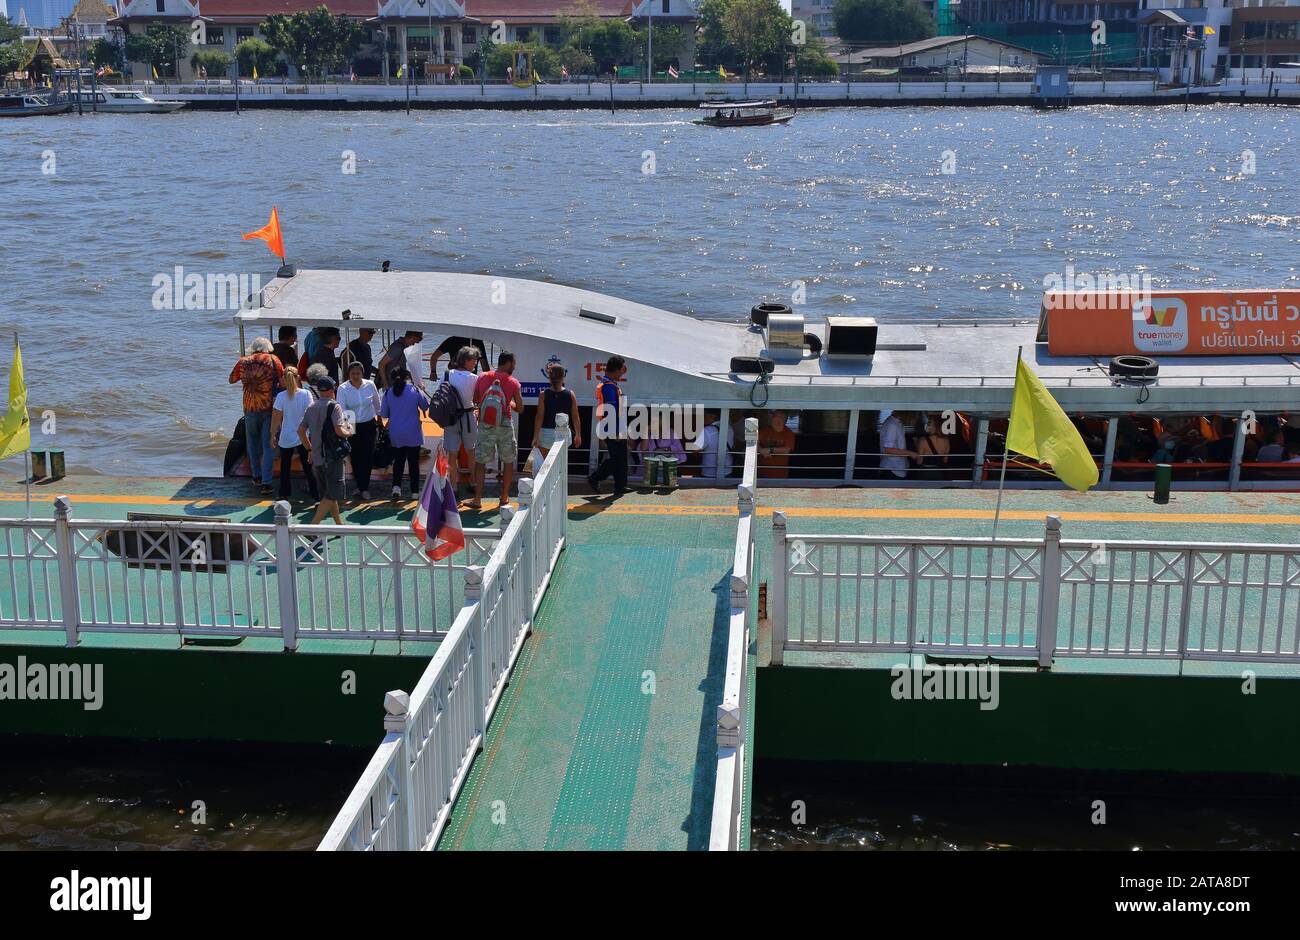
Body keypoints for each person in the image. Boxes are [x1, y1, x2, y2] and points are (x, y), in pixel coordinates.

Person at [228, 337, 285, 496]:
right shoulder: (274, 360)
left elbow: (231, 379)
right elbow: (283, 382)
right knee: (268, 445)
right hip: (268, 407)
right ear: (268, 347)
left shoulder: (243, 361)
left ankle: (257, 477)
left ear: (253, 347)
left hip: (249, 407)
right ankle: (267, 483)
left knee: (252, 443)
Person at [471, 350, 524, 509]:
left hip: (485, 424)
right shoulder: (513, 382)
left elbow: (475, 400)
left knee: (481, 462)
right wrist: (510, 404)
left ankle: (477, 499)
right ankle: (504, 497)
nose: (514, 366)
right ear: (508, 363)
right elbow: (520, 408)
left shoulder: (483, 376)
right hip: (504, 424)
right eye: (514, 363)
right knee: (508, 461)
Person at [299, 376, 354, 526]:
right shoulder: (334, 406)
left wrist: (309, 448)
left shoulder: (311, 407)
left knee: (328, 493)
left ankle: (338, 524)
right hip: (332, 456)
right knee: (332, 493)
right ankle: (313, 526)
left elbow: (301, 430)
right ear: (331, 390)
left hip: (317, 456)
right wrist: (348, 431)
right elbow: (338, 430)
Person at [380, 366, 430, 501]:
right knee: (414, 463)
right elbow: (425, 406)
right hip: (413, 431)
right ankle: (414, 492)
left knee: (398, 462)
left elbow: (384, 414)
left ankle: (396, 488)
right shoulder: (414, 390)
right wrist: (422, 389)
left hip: (396, 432)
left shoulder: (388, 392)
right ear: (407, 377)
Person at [270, 367, 318, 503]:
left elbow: (276, 418)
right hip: (303, 435)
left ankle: (284, 495)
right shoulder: (306, 394)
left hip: (286, 436)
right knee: (308, 467)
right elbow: (311, 415)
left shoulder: (281, 396)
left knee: (285, 467)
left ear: (284, 379)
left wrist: (272, 435)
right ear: (297, 378)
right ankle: (316, 496)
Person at [338, 359, 382, 500]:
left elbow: (377, 403)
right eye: (352, 373)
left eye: (358, 373)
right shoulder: (343, 388)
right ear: (348, 374)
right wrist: (347, 429)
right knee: (355, 457)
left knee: (367, 457)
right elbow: (342, 409)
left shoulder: (369, 385)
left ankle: (365, 487)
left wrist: (380, 420)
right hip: (352, 424)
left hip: (369, 424)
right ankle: (358, 484)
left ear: (362, 373)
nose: (355, 376)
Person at [588, 355, 628, 497]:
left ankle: (620, 486)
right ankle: (595, 477)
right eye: (622, 368)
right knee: (617, 459)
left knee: (622, 457)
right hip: (612, 429)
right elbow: (611, 410)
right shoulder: (609, 387)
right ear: (616, 369)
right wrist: (616, 432)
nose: (623, 371)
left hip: (616, 428)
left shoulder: (611, 384)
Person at [443, 346, 482, 497]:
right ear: (467, 360)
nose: (476, 363)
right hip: (467, 417)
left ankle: (453, 486)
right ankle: (472, 481)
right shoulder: (474, 378)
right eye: (474, 360)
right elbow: (477, 399)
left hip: (451, 418)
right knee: (471, 451)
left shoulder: (447, 374)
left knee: (452, 454)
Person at [533, 362, 582, 459]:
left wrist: (536, 436)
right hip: (563, 435)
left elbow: (539, 417)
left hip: (546, 433)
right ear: (563, 377)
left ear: (549, 378)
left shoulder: (543, 394)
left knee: (545, 466)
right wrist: (578, 435)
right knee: (560, 466)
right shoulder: (571, 394)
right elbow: (575, 417)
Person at [879, 410, 919, 479]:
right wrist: (910, 453)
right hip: (892, 469)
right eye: (912, 417)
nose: (912, 421)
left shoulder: (896, 423)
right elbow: (888, 450)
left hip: (897, 468)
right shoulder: (892, 425)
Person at [757, 410, 796, 479]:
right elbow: (754, 442)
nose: (772, 418)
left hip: (779, 473)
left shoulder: (789, 433)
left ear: (783, 419)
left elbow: (786, 450)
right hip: (762, 472)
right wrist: (760, 450)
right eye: (773, 416)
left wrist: (770, 450)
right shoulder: (764, 430)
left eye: (775, 416)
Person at [698, 410, 734, 479]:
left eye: (705, 416)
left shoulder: (707, 430)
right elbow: (733, 444)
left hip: (709, 470)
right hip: (728, 468)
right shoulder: (729, 427)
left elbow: (696, 449)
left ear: (712, 417)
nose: (703, 418)